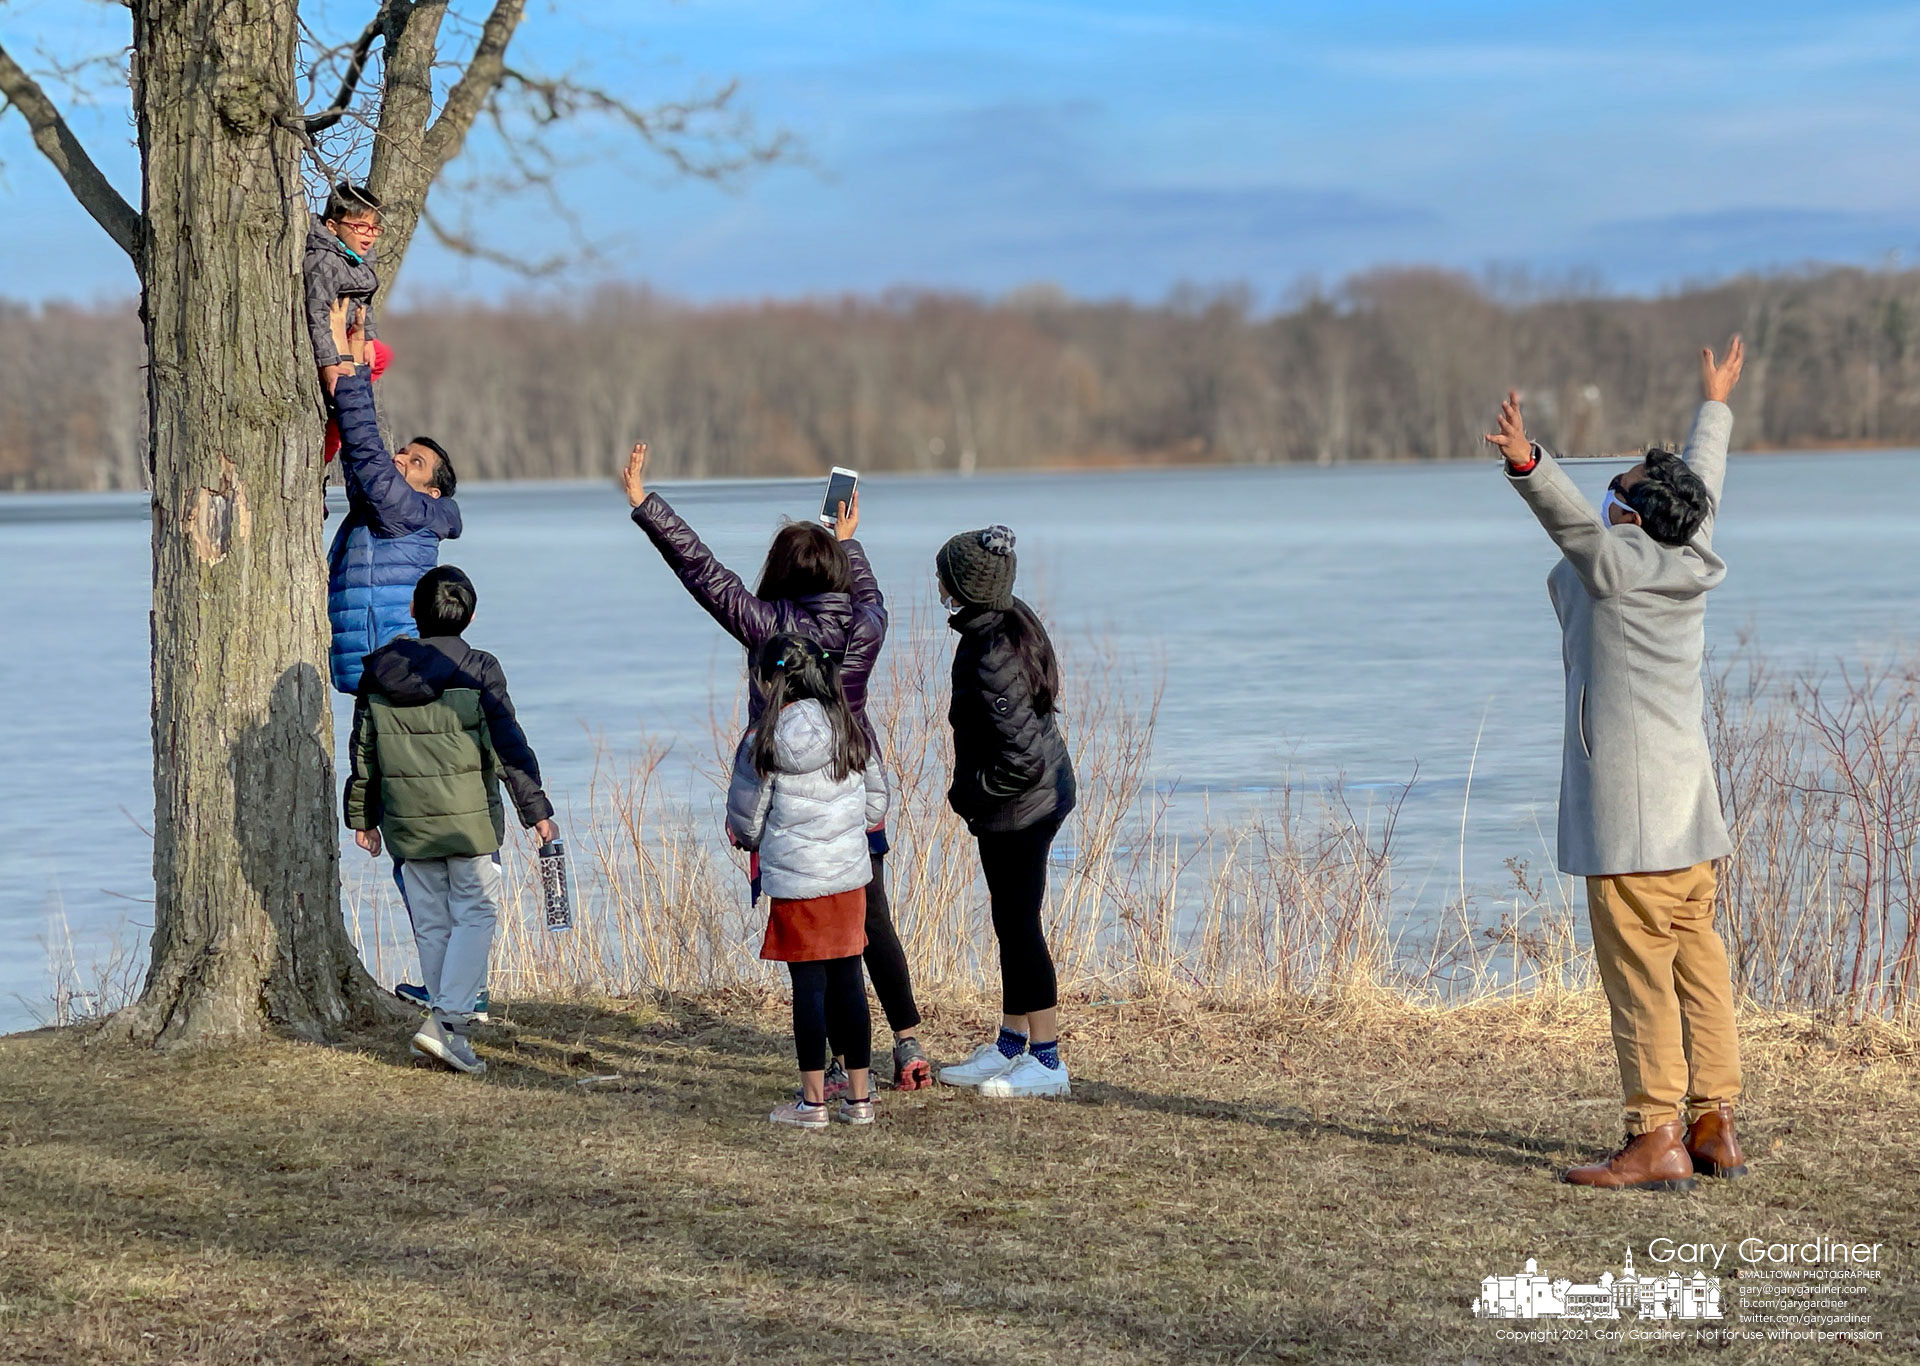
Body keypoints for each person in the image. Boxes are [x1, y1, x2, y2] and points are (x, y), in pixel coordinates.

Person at [1484, 336, 1750, 1192]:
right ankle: (1715, 1123)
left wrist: (1530, 461)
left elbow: (1566, 517)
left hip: (1632, 825)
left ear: (1630, 517)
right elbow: (1702, 479)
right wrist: (1714, 404)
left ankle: (1654, 1137)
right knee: (1698, 965)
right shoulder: (1694, 549)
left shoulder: (1617, 566)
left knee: (1639, 976)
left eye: (1621, 492)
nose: (1609, 498)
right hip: (1690, 817)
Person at [621, 441, 932, 1092]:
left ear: (782, 573)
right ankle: (906, 1047)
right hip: (852, 777)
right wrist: (848, 541)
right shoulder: (866, 621)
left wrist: (647, 504)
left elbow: (706, 575)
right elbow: (867, 592)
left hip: (791, 793)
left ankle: (818, 1081)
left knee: (811, 944)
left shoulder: (769, 627)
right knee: (870, 919)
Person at [345, 566, 559, 1075]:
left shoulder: (378, 673)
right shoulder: (479, 670)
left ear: (414, 611)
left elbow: (363, 754)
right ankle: (448, 1025)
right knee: (477, 912)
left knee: (433, 922)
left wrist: (363, 817)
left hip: (407, 825)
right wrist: (537, 811)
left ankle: (447, 1032)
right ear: (471, 616)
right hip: (471, 826)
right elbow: (507, 746)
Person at [930, 526, 1078, 1099]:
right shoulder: (1001, 620)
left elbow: (1021, 759)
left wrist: (970, 794)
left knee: (1020, 927)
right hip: (1022, 800)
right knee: (1009, 921)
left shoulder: (994, 654)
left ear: (964, 587)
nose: (937, 585)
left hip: (1022, 805)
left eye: (943, 577)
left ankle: (1047, 1060)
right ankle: (1011, 1045)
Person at [727, 633, 889, 1128]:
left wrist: (753, 838)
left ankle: (813, 1102)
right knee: (849, 983)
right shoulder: (849, 728)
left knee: (808, 991)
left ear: (771, 679)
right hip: (847, 882)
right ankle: (859, 1100)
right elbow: (876, 805)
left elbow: (746, 822)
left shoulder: (764, 740)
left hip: (797, 886)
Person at [324, 299, 461, 696]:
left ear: (431, 491)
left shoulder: (411, 512)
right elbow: (357, 448)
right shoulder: (380, 509)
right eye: (402, 451)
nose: (400, 457)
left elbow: (368, 450)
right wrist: (352, 367)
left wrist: (351, 366)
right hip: (371, 672)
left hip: (397, 670)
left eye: (415, 462)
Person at [306, 181, 390, 462]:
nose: (369, 235)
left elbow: (365, 301)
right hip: (331, 342)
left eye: (374, 228)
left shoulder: (359, 258)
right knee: (345, 396)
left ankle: (350, 400)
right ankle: (329, 447)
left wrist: (366, 336)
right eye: (360, 227)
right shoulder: (325, 261)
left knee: (380, 355)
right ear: (333, 226)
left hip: (351, 334)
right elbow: (316, 312)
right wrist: (329, 363)